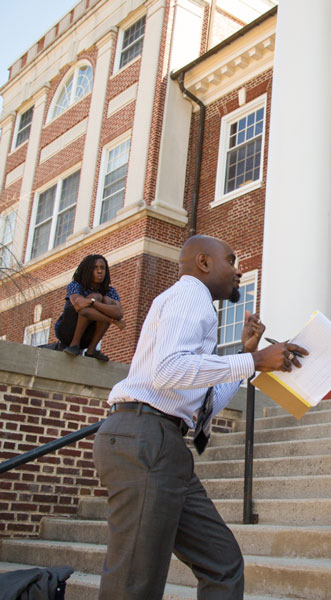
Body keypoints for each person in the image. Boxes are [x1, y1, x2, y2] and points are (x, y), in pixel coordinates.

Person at [93, 235, 306, 599]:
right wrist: (254, 360)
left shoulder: (189, 302)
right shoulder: (192, 295)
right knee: (134, 583)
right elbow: (168, 370)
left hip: (162, 443)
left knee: (222, 563)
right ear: (204, 263)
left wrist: (247, 359)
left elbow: (198, 402)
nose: (238, 271)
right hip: (147, 439)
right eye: (232, 260)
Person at [53, 254, 124, 360]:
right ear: (87, 270)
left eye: (102, 268)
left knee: (105, 300)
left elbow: (118, 313)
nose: (99, 271)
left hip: (87, 337)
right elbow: (80, 307)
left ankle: (91, 350)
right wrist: (112, 320)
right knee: (97, 297)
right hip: (67, 332)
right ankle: (74, 344)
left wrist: (93, 303)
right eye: (95, 268)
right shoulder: (75, 285)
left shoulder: (110, 291)